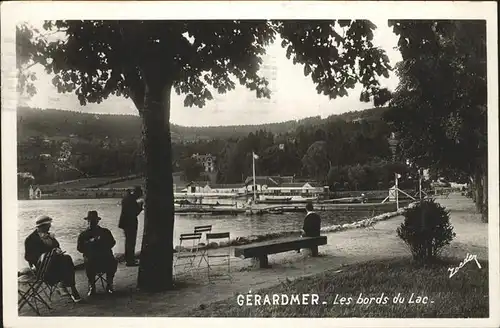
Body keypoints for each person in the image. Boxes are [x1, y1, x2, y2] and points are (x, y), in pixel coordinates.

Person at [24, 215, 82, 303]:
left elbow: (57, 247)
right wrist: (45, 256)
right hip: (43, 270)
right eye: (48, 225)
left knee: (66, 258)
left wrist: (57, 250)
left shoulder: (50, 236)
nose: (50, 226)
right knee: (66, 260)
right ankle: (66, 287)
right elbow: (28, 257)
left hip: (56, 265)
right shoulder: (30, 239)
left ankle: (67, 287)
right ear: (42, 226)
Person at [77, 210, 118, 296]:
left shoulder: (105, 232)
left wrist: (102, 244)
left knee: (113, 260)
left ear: (97, 221)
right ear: (87, 222)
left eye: (93, 221)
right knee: (88, 261)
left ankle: (109, 284)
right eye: (90, 221)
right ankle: (92, 285)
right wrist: (89, 243)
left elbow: (112, 243)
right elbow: (80, 248)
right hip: (91, 258)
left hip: (104, 257)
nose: (91, 223)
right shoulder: (83, 235)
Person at [118, 186, 143, 266]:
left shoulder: (127, 198)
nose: (139, 197)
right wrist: (140, 206)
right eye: (139, 195)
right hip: (130, 223)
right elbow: (135, 212)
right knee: (131, 242)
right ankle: (130, 261)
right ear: (137, 193)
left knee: (128, 242)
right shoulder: (131, 200)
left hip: (125, 223)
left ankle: (129, 259)